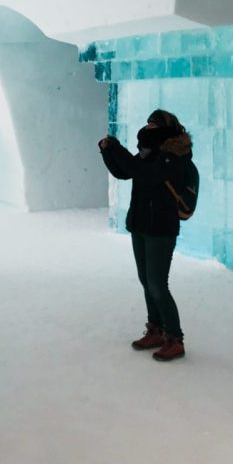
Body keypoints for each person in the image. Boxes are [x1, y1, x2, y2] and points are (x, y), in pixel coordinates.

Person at [97, 109, 196, 362]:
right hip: (141, 224)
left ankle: (175, 338)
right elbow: (125, 172)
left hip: (161, 229)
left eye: (154, 125)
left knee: (157, 284)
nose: (149, 128)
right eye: (148, 124)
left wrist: (116, 148)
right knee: (146, 280)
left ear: (167, 129)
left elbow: (145, 174)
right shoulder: (150, 153)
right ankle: (156, 329)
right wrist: (107, 151)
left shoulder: (174, 156)